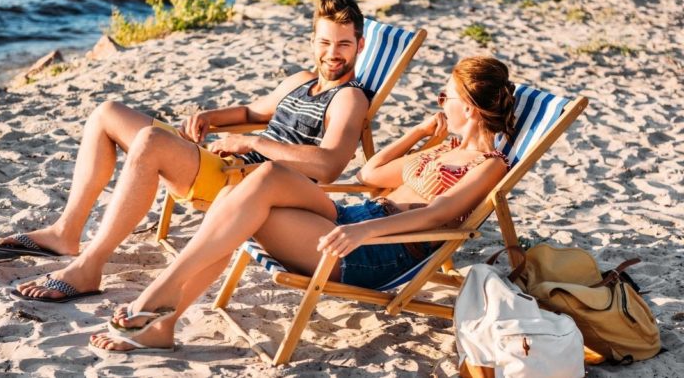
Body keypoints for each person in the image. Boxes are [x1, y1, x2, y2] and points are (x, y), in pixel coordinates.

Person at [88, 56, 518, 352]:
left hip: (379, 250)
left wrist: (362, 231)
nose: (439, 104)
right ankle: (162, 314)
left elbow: (439, 214)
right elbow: (370, 175)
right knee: (265, 178)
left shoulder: (489, 165)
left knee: (241, 213)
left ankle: (160, 308)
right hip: (358, 218)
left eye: (445, 98)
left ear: (472, 108)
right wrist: (421, 134)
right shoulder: (442, 150)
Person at [0, 0, 372, 300]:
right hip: (226, 160)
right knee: (107, 113)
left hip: (243, 182)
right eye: (324, 42)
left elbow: (328, 165)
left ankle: (90, 265)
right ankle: (65, 232)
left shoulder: (348, 99)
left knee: (152, 141)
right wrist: (210, 117)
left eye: (343, 43)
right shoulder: (301, 80)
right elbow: (252, 110)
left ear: (359, 45)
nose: (332, 53)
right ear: (312, 42)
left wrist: (251, 141)